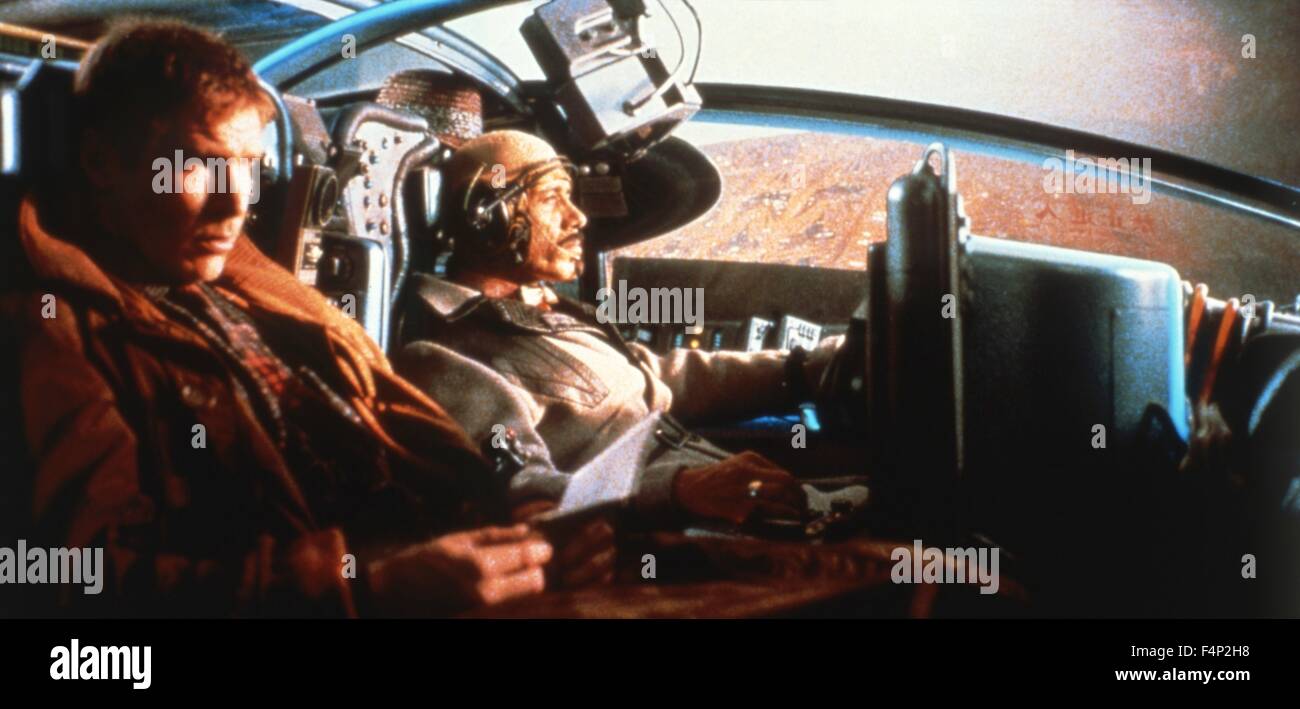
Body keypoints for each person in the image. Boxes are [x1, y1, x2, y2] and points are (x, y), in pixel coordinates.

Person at [0, 21, 582, 617]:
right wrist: (366, 589)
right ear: (101, 162)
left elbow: (397, 433)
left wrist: (524, 524)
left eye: (248, 165)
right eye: (199, 164)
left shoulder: (255, 290)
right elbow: (76, 581)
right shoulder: (47, 329)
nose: (235, 204)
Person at [394, 130, 843, 527]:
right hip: (672, 535)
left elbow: (663, 379)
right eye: (552, 198)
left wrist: (805, 368)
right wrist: (680, 489)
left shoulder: (550, 314)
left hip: (744, 512)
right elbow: (522, 490)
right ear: (488, 218)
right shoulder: (443, 354)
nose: (579, 218)